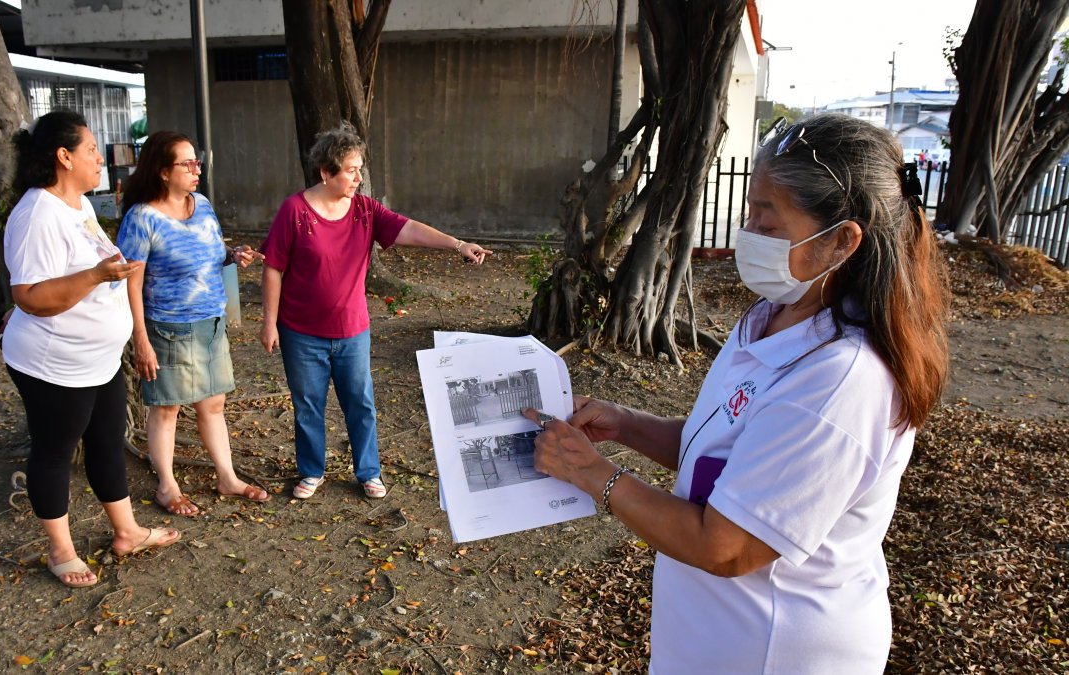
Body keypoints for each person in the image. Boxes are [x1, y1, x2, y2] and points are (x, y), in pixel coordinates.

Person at [525, 112, 948, 673]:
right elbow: (728, 452)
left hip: (776, 649)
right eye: (750, 210)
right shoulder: (776, 317)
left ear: (841, 242)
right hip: (716, 636)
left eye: (768, 223)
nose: (747, 233)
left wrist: (592, 474)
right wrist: (625, 423)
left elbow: (724, 546)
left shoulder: (838, 382)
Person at [259, 122, 493, 500]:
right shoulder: (294, 211)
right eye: (351, 169)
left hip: (352, 331)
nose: (358, 176)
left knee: (360, 404)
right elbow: (273, 267)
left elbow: (410, 230)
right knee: (307, 407)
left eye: (359, 168)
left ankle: (369, 471)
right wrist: (269, 323)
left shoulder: (365, 211)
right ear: (325, 172)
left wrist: (458, 244)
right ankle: (311, 471)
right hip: (300, 333)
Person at [2, 111, 180, 588]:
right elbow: (30, 296)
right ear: (64, 157)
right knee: (55, 451)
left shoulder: (77, 204)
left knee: (105, 440)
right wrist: (98, 275)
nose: (102, 158)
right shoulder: (38, 213)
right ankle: (61, 550)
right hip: (54, 363)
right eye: (92, 150)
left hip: (96, 360)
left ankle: (126, 531)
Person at [115, 131, 267, 516]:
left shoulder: (201, 204)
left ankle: (227, 477)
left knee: (213, 403)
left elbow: (212, 254)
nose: (196, 169)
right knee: (166, 407)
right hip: (167, 327)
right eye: (187, 163)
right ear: (164, 172)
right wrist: (142, 340)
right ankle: (167, 486)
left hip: (211, 322)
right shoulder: (142, 218)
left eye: (197, 162)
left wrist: (234, 256)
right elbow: (129, 284)